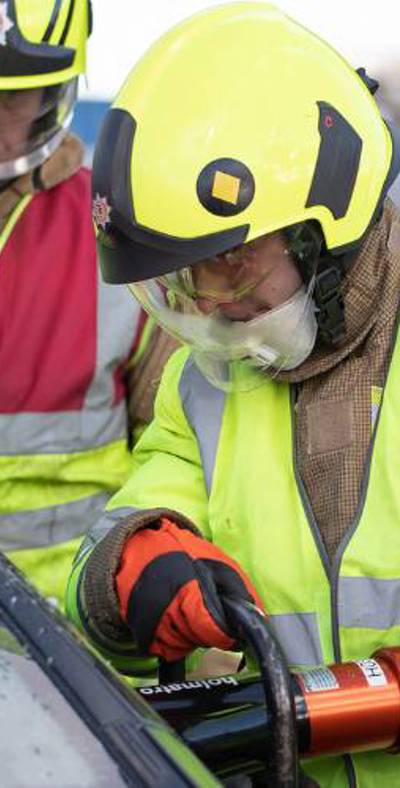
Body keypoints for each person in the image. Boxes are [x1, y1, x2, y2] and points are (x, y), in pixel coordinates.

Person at [66, 3, 400, 785]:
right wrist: (131, 565)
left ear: (327, 215)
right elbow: (114, 536)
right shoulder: (205, 385)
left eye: (227, 264)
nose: (209, 306)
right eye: (185, 279)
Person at [0, 0, 176, 607]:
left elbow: (182, 454)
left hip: (79, 657)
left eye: (9, 100)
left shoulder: (117, 243)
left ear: (54, 94)